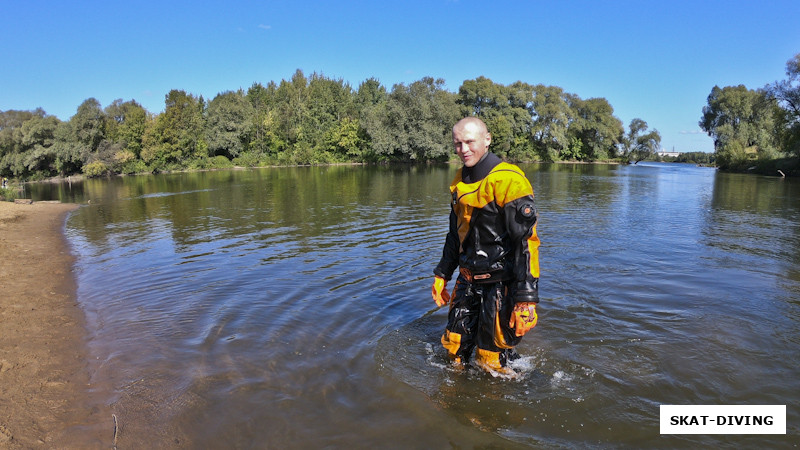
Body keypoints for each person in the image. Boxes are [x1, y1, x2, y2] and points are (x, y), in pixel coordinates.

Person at [431, 117, 540, 374]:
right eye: (458, 143)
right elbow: (455, 234)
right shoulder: (459, 181)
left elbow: (526, 244)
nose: (463, 149)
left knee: (491, 363)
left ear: (487, 139)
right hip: (468, 280)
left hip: (501, 285)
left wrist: (526, 300)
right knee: (453, 351)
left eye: (470, 142)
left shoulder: (510, 181)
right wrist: (442, 274)